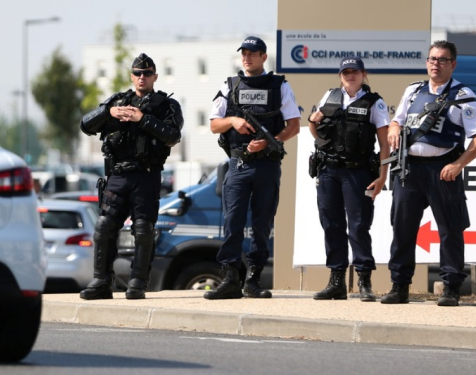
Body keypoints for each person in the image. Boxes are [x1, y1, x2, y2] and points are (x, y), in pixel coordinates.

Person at [78, 53, 183, 300]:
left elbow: (173, 136)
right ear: (131, 76)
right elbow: (85, 125)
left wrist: (142, 119)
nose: (142, 77)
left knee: (143, 230)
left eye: (147, 73)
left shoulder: (167, 105)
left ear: (155, 76)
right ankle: (101, 281)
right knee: (104, 227)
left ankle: (137, 282)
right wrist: (108, 112)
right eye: (137, 73)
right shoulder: (118, 101)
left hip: (146, 176)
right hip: (117, 176)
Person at [204, 36, 301, 300]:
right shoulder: (230, 84)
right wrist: (233, 120)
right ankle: (230, 279)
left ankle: (253, 281)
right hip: (237, 163)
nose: (247, 57)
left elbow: (293, 124)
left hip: (267, 164)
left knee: (262, 223)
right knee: (232, 221)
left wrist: (272, 143)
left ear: (263, 57)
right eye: (244, 53)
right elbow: (214, 124)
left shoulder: (279, 85)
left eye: (253, 53)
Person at [381, 40, 476, 306]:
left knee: (450, 230)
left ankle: (451, 288)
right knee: (402, 229)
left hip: (442, 169)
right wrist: (394, 129)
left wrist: (459, 164)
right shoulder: (413, 91)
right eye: (432, 59)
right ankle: (399, 286)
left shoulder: (464, 95)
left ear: (453, 64)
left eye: (442, 60)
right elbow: (397, 119)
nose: (436, 63)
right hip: (409, 170)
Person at [308, 56, 390, 302]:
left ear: (363, 74)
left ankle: (364, 281)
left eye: (355, 71)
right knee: (331, 224)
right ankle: (336, 281)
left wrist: (382, 177)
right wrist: (313, 122)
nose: (350, 75)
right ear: (340, 75)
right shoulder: (330, 96)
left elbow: (385, 144)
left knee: (358, 226)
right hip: (329, 171)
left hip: (359, 172)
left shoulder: (374, 102)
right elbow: (315, 129)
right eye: (345, 72)